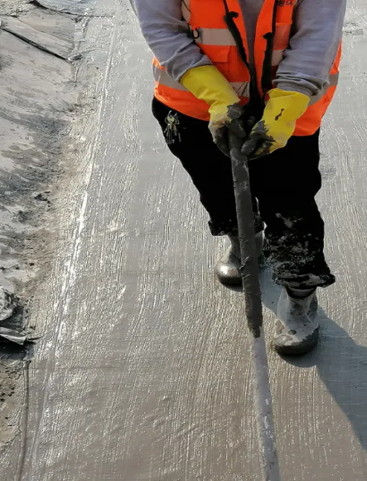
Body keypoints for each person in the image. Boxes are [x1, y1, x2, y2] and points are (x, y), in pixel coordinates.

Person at [130, 0, 345, 355]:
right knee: (217, 186)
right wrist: (215, 94)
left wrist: (290, 98)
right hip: (195, 102)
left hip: (285, 104)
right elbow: (162, 27)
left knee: (290, 203)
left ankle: (299, 293)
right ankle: (244, 239)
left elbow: (318, 33)